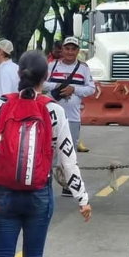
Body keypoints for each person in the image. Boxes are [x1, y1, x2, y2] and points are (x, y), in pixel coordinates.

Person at [0, 51, 91, 257]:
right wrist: (82, 198)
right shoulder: (53, 109)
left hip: (3, 192)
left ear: (19, 74)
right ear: (45, 76)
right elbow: (67, 159)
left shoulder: (1, 104)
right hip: (38, 193)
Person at [43, 36, 96, 197]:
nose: (70, 52)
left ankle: (68, 184)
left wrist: (74, 89)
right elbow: (42, 84)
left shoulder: (84, 68)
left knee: (68, 150)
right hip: (51, 116)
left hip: (72, 117)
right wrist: (58, 86)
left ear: (78, 51)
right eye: (67, 48)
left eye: (73, 49)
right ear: (62, 50)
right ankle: (45, 182)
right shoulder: (52, 66)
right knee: (48, 150)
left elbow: (91, 89)